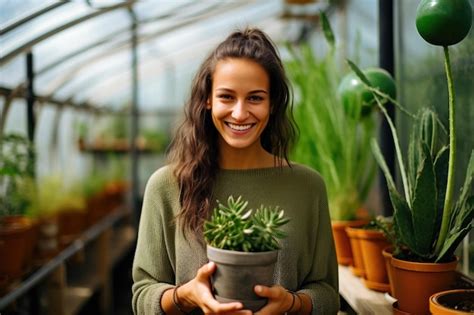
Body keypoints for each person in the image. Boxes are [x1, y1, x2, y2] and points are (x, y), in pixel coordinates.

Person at [132, 28, 339, 315]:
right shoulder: (167, 185)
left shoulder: (308, 186)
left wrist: (291, 304)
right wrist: (185, 295)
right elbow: (142, 294)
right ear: (207, 100)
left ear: (273, 103)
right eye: (226, 97)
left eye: (255, 98)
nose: (240, 113)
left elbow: (327, 294)